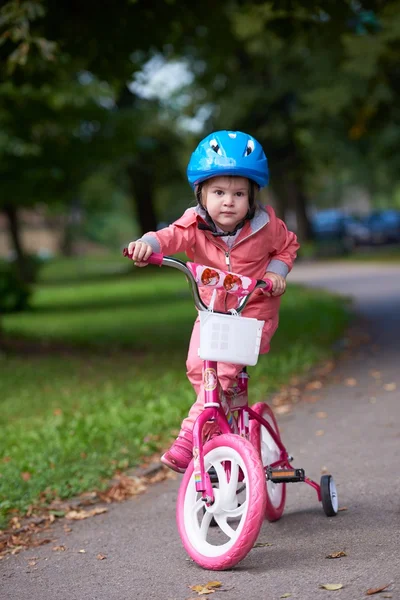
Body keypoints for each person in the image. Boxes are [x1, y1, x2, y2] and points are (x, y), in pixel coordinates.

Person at [127, 130, 300, 473]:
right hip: (212, 312)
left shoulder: (266, 225)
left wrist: (277, 272)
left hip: (253, 312)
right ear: (201, 194)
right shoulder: (193, 225)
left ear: (252, 198)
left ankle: (190, 435)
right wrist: (147, 244)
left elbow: (288, 245)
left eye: (238, 193)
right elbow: (167, 236)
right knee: (198, 367)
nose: (228, 201)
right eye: (219, 192)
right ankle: (218, 416)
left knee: (222, 373)